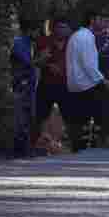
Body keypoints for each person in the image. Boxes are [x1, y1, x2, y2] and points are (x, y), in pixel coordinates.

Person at [65, 10, 109, 152]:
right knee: (107, 101)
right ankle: (101, 138)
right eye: (100, 19)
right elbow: (89, 65)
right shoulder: (86, 37)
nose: (102, 22)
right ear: (92, 20)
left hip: (75, 83)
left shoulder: (76, 36)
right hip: (85, 83)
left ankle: (81, 143)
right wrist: (103, 81)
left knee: (81, 117)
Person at [33, 17, 72, 153]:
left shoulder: (73, 43)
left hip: (66, 85)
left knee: (68, 114)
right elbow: (36, 61)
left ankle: (61, 142)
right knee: (41, 114)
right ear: (54, 29)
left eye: (65, 28)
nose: (63, 31)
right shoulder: (44, 41)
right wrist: (48, 65)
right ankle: (40, 142)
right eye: (60, 27)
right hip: (47, 84)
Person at [10, 19, 42, 158]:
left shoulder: (30, 44)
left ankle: (26, 149)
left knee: (29, 116)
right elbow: (27, 63)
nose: (38, 34)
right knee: (21, 117)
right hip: (21, 85)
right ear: (30, 30)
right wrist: (41, 59)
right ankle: (19, 150)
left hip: (30, 86)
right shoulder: (19, 42)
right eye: (36, 31)